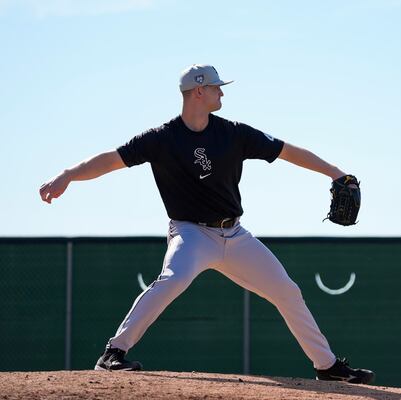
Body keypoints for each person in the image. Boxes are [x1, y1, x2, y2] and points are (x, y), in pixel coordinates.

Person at [39, 64, 375, 384]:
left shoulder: (234, 133)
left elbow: (287, 151)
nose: (222, 95)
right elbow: (111, 160)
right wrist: (68, 175)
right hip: (191, 233)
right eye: (217, 88)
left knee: (287, 291)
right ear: (199, 91)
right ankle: (114, 351)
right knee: (174, 279)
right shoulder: (162, 138)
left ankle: (326, 365)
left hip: (235, 235)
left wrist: (335, 172)